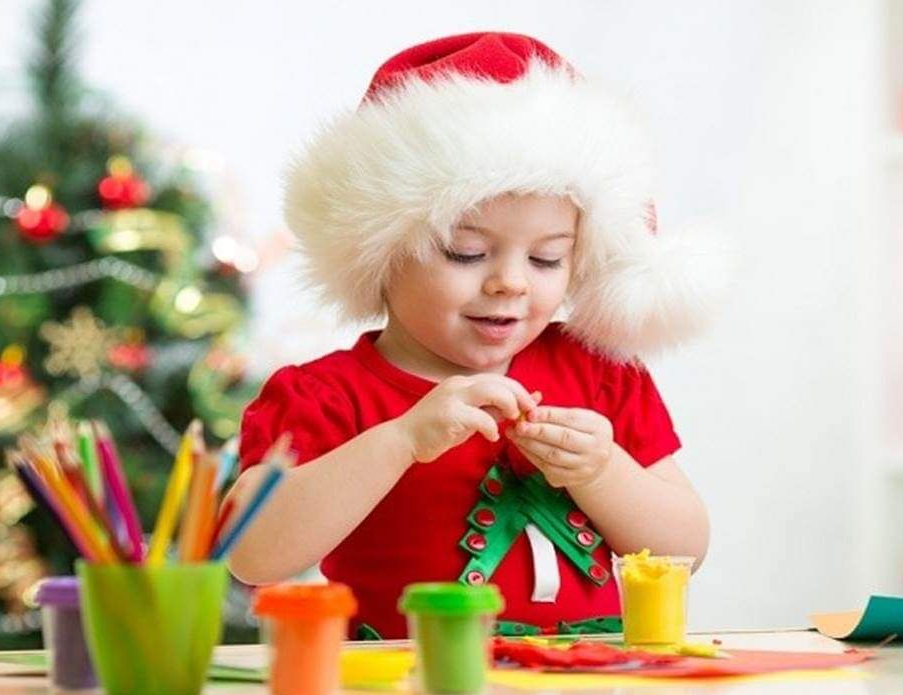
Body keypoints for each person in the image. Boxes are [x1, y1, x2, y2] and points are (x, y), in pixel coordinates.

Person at [226, 32, 726, 639]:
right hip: (404, 686)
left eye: (546, 260)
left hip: (587, 680)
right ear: (382, 253)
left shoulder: (598, 368)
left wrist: (602, 471)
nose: (510, 283)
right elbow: (250, 552)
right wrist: (401, 441)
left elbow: (686, 548)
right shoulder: (325, 395)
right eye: (467, 253)